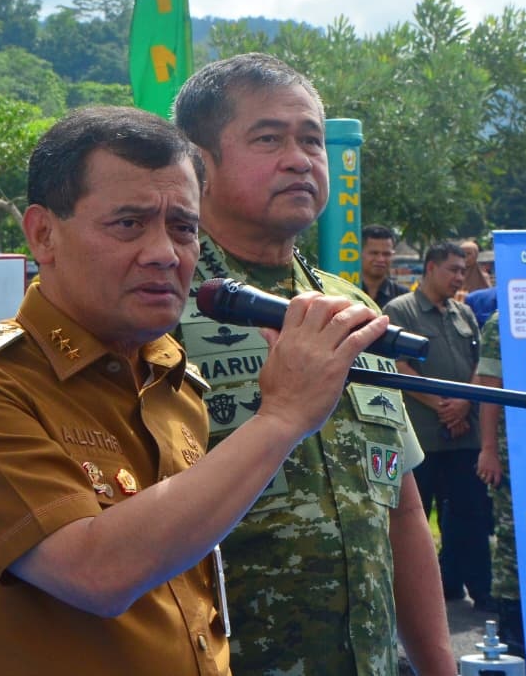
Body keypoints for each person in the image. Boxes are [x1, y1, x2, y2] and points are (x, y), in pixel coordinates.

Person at [0, 105, 392, 676]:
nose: (165, 252)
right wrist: (281, 416)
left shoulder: (174, 381)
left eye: (183, 227)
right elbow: (96, 572)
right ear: (43, 234)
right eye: (129, 223)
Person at [173, 53, 455, 675]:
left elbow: (401, 507)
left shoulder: (351, 307)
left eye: (312, 141)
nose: (300, 159)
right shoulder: (161, 306)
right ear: (199, 164)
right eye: (269, 139)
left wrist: (440, 666)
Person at [383, 242, 491, 612]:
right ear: (430, 268)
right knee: (413, 517)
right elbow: (397, 366)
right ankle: (412, 600)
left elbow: (479, 364)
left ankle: (474, 588)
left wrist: (464, 402)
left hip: (465, 434)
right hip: (422, 436)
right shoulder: (401, 310)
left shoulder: (463, 312)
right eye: (453, 270)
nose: (459, 277)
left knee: (469, 515)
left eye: (463, 270)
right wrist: (443, 405)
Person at [474, 311, 524, 656]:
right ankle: (513, 633)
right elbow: (490, 390)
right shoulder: (502, 320)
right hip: (513, 451)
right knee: (512, 542)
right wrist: (489, 449)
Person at [359, 223, 409, 308]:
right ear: (359, 253)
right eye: (374, 253)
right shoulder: (345, 291)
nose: (380, 259)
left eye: (386, 254)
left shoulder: (403, 296)